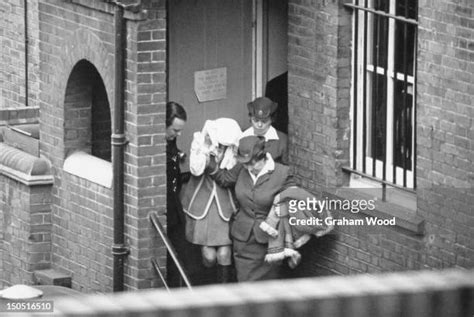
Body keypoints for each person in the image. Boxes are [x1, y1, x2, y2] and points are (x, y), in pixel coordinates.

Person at [180, 118, 242, 283]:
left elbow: (229, 175)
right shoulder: (200, 142)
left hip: (226, 204)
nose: (221, 147)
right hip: (203, 203)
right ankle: (206, 284)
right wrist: (206, 148)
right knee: (209, 257)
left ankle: (222, 294)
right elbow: (196, 169)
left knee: (224, 254)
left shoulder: (234, 149)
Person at [230, 135, 294, 282]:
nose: (249, 169)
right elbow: (225, 178)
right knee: (245, 287)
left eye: (253, 164)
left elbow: (291, 202)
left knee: (266, 290)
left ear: (263, 157)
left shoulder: (282, 173)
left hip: (268, 244)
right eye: (246, 165)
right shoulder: (242, 168)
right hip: (243, 242)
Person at [165, 101, 191, 287]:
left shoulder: (170, 141)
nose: (178, 134)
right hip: (166, 205)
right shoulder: (154, 147)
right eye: (175, 130)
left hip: (174, 205)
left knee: (179, 253)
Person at [242, 97, 288, 165]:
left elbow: (286, 169)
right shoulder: (242, 137)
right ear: (250, 118)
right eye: (255, 120)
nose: (259, 125)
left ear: (272, 120)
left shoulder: (282, 141)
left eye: (264, 121)